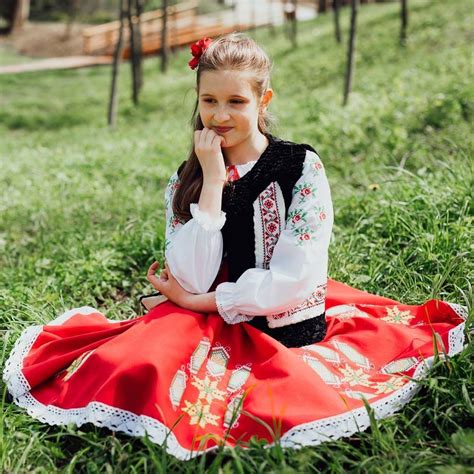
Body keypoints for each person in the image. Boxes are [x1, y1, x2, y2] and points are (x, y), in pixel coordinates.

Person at [3, 33, 467, 461]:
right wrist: (208, 183)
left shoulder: (299, 167)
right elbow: (190, 276)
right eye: (209, 101)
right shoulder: (185, 179)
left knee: (278, 392)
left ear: (263, 101)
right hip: (203, 315)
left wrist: (197, 301)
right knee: (130, 364)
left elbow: (297, 274)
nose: (220, 116)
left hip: (283, 322)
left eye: (236, 101)